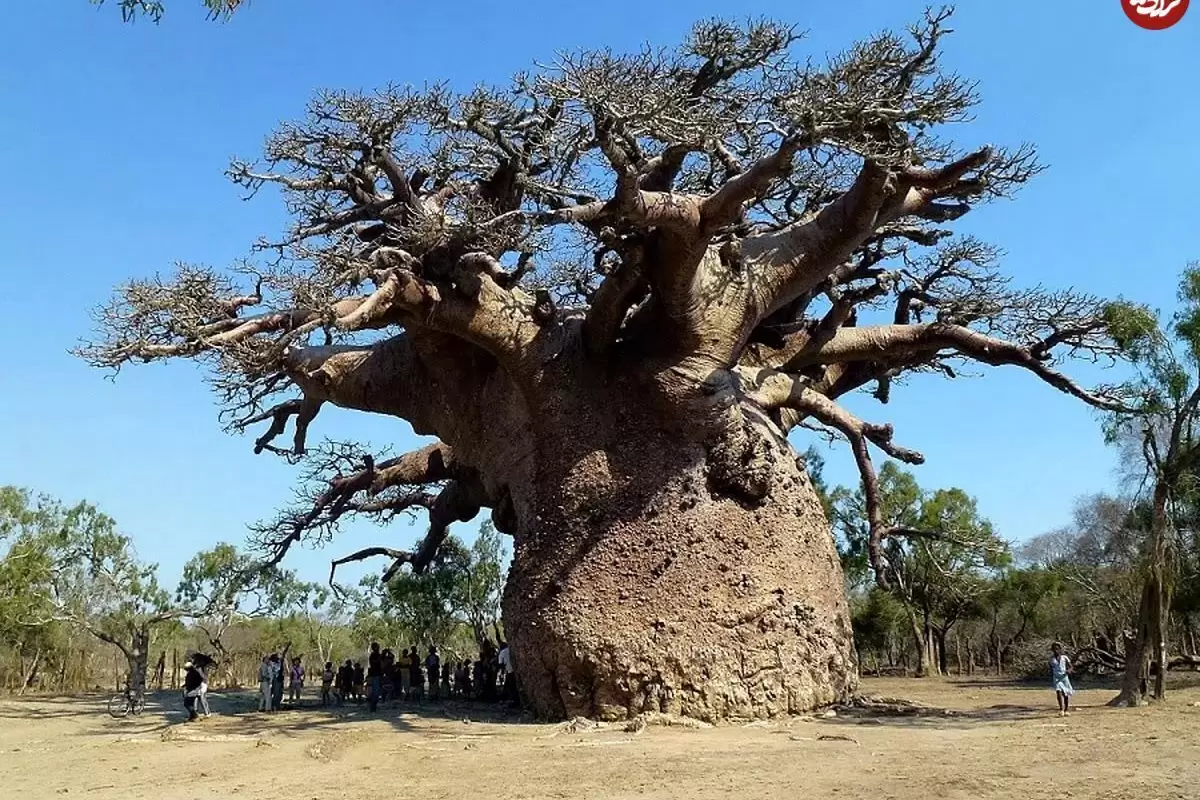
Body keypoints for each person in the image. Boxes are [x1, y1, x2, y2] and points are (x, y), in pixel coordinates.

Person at [1051, 642, 1074, 717]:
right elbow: (1051, 668)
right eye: (1054, 649)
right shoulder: (1051, 660)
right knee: (1058, 692)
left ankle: (1066, 709)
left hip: (1064, 677)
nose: (1056, 651)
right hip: (1057, 678)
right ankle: (1061, 709)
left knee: (1066, 694)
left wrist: (1069, 670)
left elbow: (1071, 667)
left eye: (1057, 649)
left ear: (1060, 650)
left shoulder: (1065, 658)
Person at [366, 642, 383, 712]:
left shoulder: (377, 655)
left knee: (377, 691)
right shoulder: (373, 655)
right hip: (375, 675)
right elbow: (374, 662)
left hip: (377, 674)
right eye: (377, 646)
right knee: (375, 692)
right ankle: (372, 706)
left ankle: (373, 706)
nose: (379, 648)